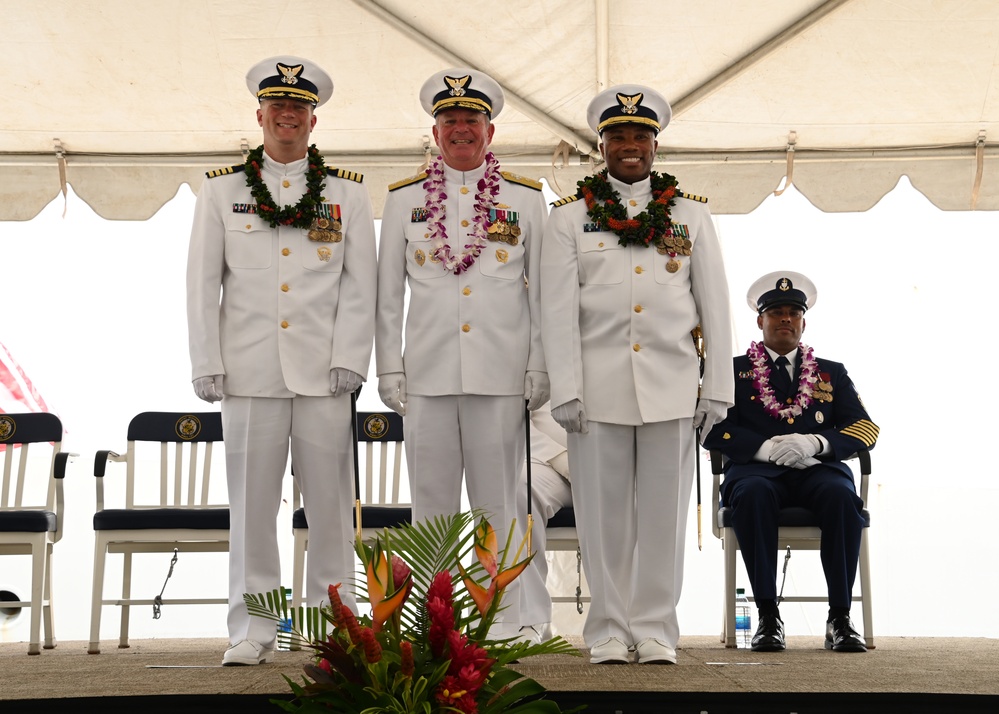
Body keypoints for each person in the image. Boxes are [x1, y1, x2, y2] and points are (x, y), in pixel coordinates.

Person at [187, 56, 377, 666]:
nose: (287, 115)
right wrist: (205, 360)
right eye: (278, 106)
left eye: (298, 107)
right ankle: (254, 628)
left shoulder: (347, 192)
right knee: (251, 507)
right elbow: (201, 283)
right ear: (260, 115)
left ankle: (332, 628)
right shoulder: (222, 189)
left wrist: (353, 356)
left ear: (313, 119)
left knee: (329, 508)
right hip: (248, 373)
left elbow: (360, 286)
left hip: (324, 375)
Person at [540, 85, 734, 664]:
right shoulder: (569, 219)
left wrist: (717, 388)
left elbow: (714, 305)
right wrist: (564, 388)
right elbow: (556, 310)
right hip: (595, 393)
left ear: (655, 144)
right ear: (600, 144)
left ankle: (654, 629)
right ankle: (606, 629)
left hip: (672, 387)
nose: (629, 146)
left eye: (640, 137)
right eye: (618, 136)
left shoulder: (690, 214)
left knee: (663, 516)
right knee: (603, 520)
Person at [375, 68, 548, 638]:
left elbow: (543, 291)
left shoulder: (525, 198)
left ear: (489, 130)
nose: (460, 130)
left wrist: (539, 364)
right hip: (425, 374)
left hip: (501, 375)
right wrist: (390, 367)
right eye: (449, 120)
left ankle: (505, 623)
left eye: (471, 120)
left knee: (499, 506)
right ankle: (435, 624)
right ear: (435, 130)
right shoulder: (403, 200)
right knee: (430, 509)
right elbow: (386, 294)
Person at [703, 271, 879, 653]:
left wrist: (815, 441)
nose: (786, 319)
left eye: (793, 313)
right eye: (777, 312)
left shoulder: (832, 372)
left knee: (842, 497)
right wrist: (764, 449)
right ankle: (768, 616)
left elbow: (866, 428)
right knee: (751, 495)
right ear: (760, 321)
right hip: (755, 471)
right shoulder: (731, 371)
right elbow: (709, 427)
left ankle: (840, 618)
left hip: (817, 471)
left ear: (803, 321)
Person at [517, 402, 573, 644]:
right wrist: (561, 459)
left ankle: (635, 622)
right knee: (518, 490)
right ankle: (528, 617)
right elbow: (512, 416)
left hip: (612, 459)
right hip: (545, 461)